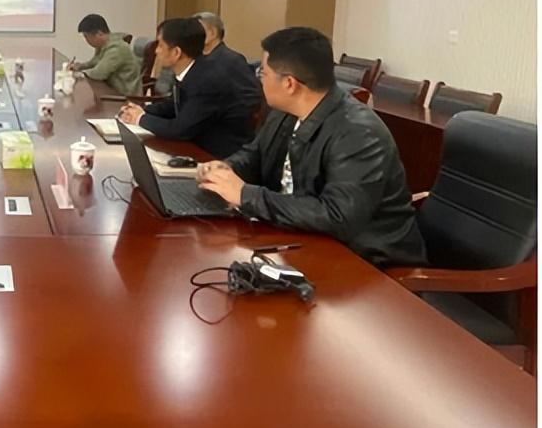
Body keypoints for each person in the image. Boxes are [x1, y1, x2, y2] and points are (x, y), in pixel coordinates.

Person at [196, 27, 427, 267]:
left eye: (262, 72)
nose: (259, 79)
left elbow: (337, 216)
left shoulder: (358, 133)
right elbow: (255, 155)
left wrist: (246, 195)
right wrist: (224, 170)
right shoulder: (286, 111)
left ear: (289, 84)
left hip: (366, 260)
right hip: (301, 237)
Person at [119, 18, 259, 158]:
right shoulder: (195, 69)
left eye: (160, 45)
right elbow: (172, 106)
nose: (156, 51)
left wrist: (140, 118)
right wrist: (141, 109)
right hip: (195, 146)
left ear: (176, 52)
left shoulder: (207, 80)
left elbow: (179, 130)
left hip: (216, 156)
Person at [68, 13, 140, 96]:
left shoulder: (116, 48)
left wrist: (79, 74)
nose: (86, 40)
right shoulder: (105, 44)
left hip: (125, 96)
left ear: (99, 34)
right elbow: (95, 62)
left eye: (86, 36)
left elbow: (99, 73)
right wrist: (80, 66)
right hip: (111, 89)